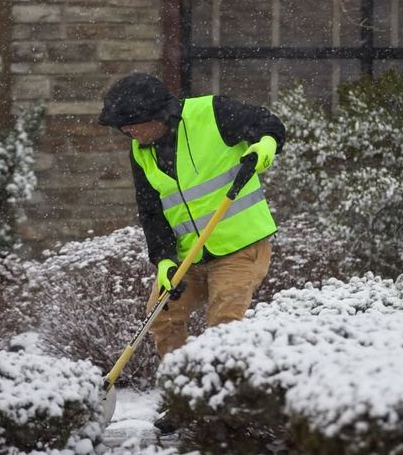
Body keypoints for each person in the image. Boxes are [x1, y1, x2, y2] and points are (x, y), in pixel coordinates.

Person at [98, 73, 285, 433]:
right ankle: (184, 398)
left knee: (224, 326)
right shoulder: (141, 152)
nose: (130, 134)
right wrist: (165, 260)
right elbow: (151, 212)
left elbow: (269, 124)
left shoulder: (212, 113)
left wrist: (266, 145)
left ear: (158, 116)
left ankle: (222, 409)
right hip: (189, 256)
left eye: (134, 126)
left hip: (239, 246)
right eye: (124, 130)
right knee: (163, 316)